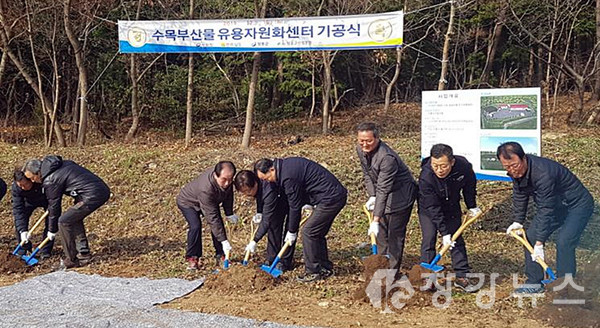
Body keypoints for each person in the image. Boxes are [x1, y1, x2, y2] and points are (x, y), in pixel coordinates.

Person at [497, 142, 594, 294]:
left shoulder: (543, 173)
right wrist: (517, 221)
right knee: (530, 236)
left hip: (577, 205)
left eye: (514, 165)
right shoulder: (516, 172)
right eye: (506, 166)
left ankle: (565, 286)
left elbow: (545, 209)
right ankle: (535, 282)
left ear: (524, 158)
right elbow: (520, 195)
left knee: (564, 241)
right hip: (556, 205)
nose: (512, 170)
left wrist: (540, 243)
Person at [254, 157, 347, 283]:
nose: (268, 182)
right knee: (317, 233)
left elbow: (294, 206)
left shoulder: (288, 177)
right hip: (330, 196)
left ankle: (313, 272)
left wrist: (292, 231)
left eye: (267, 178)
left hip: (330, 198)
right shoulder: (284, 168)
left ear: (272, 169)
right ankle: (324, 267)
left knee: (309, 232)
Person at [24, 156, 110, 268]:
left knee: (63, 222)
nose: (33, 181)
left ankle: (71, 258)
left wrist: (51, 230)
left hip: (92, 195)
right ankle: (84, 253)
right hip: (97, 189)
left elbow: (54, 206)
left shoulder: (50, 179)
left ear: (37, 173)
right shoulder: (60, 165)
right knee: (73, 218)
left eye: (32, 178)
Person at [356, 122, 417, 278]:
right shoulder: (361, 149)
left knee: (394, 235)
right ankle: (381, 266)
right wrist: (372, 196)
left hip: (401, 196)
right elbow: (367, 174)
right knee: (381, 235)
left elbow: (384, 188)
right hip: (383, 193)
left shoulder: (386, 158)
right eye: (361, 140)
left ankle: (393, 273)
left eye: (368, 141)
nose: (364, 144)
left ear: (377, 138)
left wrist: (375, 219)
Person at [418, 143, 481, 292]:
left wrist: (471, 205)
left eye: (443, 166)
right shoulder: (426, 177)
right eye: (435, 165)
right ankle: (428, 279)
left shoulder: (463, 166)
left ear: (452, 162)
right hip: (429, 209)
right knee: (429, 238)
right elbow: (433, 208)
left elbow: (470, 185)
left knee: (456, 239)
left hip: (452, 204)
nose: (439, 170)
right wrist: (444, 233)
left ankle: (461, 276)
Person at [176, 161, 239, 270]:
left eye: (230, 180)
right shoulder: (206, 188)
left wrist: (229, 213)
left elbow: (228, 196)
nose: (227, 183)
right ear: (215, 175)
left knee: (218, 223)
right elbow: (212, 218)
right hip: (188, 202)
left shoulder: (227, 180)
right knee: (196, 226)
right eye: (224, 180)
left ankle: (220, 254)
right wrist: (224, 240)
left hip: (209, 201)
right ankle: (192, 257)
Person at [234, 170, 295, 271]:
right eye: (243, 192)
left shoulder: (269, 191)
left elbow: (266, 221)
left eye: (248, 191)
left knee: (290, 231)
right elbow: (258, 195)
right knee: (273, 227)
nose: (246, 195)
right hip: (276, 200)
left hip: (289, 200)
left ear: (255, 183)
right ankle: (271, 258)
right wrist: (259, 211)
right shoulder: (256, 179)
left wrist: (255, 241)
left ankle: (285, 261)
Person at [12, 169, 51, 258]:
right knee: (20, 224)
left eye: (25, 185)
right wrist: (23, 231)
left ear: (31, 180)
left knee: (50, 223)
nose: (23, 188)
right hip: (28, 202)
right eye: (20, 186)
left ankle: (45, 251)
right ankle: (24, 250)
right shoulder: (16, 189)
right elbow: (18, 210)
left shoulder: (40, 180)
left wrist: (52, 206)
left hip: (46, 199)